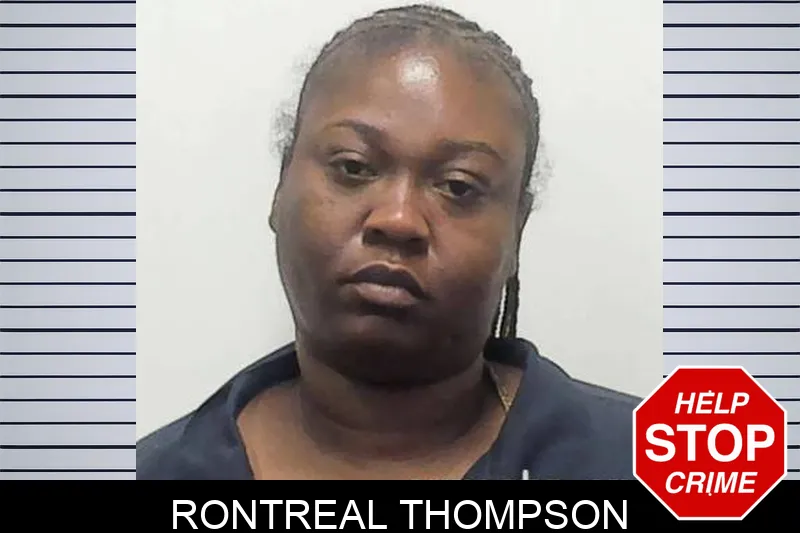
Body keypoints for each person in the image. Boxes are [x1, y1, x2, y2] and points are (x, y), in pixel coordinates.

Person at [137, 3, 641, 480]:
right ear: (281, 185)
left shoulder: (656, 464)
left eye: (458, 186)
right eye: (353, 167)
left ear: (517, 228)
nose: (398, 220)